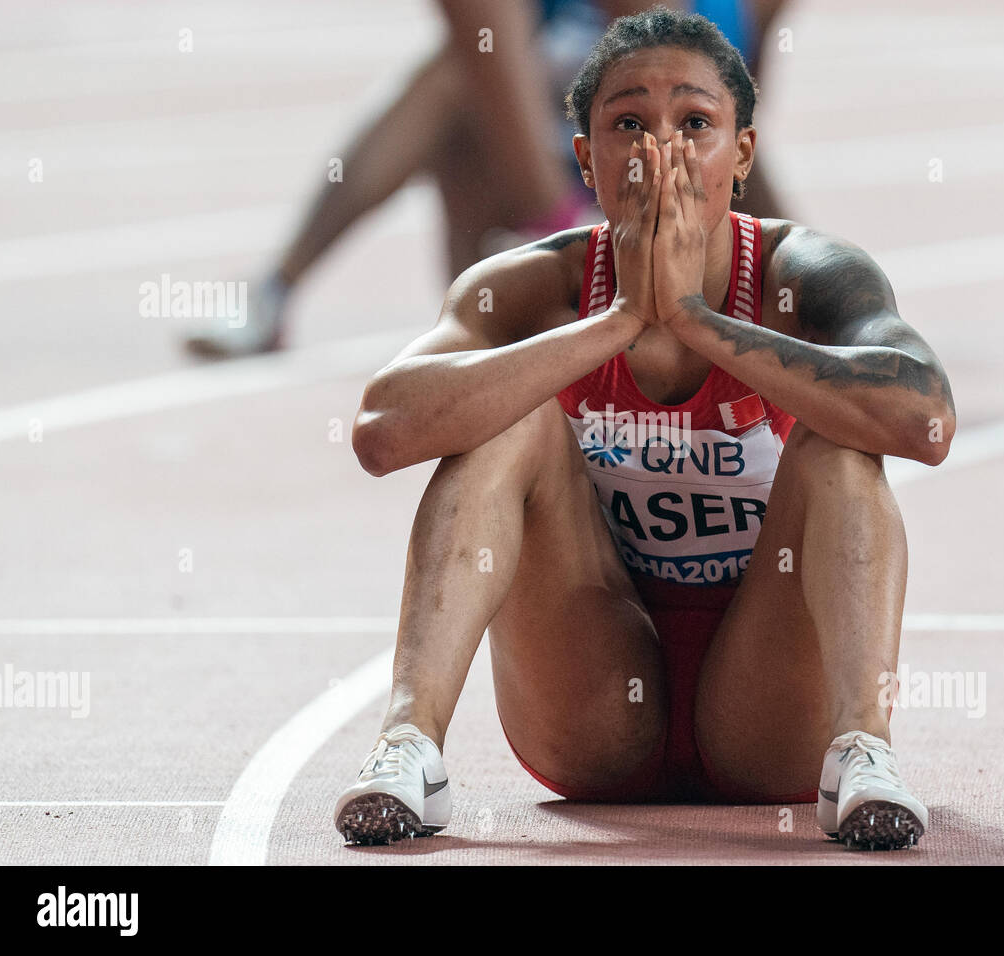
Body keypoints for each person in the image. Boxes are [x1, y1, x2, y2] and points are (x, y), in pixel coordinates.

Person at [332, 6, 955, 851]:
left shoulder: (804, 275)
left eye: (694, 122)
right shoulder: (531, 288)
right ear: (586, 158)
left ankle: (863, 750)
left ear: (741, 153)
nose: (659, 150)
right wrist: (620, 319)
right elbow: (380, 429)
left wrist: (696, 320)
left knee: (844, 442)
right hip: (590, 698)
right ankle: (407, 744)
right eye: (628, 123)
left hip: (768, 709)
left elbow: (923, 422)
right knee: (503, 423)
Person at [184, 0, 788, 358]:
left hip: (661, 188)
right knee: (449, 83)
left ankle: (780, 289)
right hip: (540, 188)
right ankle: (280, 288)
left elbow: (745, 137)